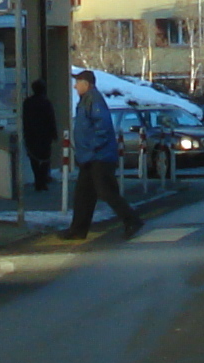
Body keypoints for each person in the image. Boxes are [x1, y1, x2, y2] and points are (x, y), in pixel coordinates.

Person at [60, 67, 143, 241]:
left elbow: (103, 127)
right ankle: (78, 230)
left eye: (77, 83)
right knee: (83, 195)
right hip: (90, 157)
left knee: (106, 191)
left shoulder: (93, 100)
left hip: (99, 157)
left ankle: (132, 220)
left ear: (86, 84)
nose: (75, 87)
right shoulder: (86, 100)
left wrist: (91, 149)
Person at [18, 73, 58, 199]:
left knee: (34, 159)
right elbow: (51, 119)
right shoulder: (46, 102)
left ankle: (38, 181)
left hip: (31, 135)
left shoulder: (27, 103)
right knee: (45, 158)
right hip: (44, 135)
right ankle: (42, 180)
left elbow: (24, 119)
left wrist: (24, 133)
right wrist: (54, 134)